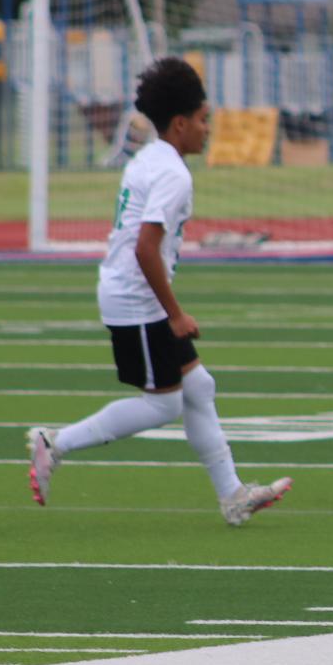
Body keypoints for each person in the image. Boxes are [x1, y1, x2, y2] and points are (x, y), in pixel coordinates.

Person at [25, 57, 291, 526]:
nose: (209, 130)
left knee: (199, 388)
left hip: (131, 293)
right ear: (181, 123)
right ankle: (56, 442)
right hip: (137, 300)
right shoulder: (173, 173)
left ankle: (232, 494)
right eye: (205, 120)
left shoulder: (151, 157)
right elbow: (147, 249)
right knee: (163, 403)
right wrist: (175, 313)